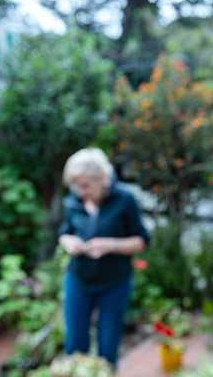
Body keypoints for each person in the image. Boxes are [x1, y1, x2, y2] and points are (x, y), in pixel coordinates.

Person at [57, 148, 150, 366]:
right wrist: (68, 241)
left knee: (107, 348)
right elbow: (64, 232)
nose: (79, 191)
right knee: (74, 346)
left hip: (114, 284)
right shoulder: (75, 200)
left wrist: (110, 245)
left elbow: (143, 240)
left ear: (102, 179)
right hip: (78, 281)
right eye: (76, 186)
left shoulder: (124, 199)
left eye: (85, 185)